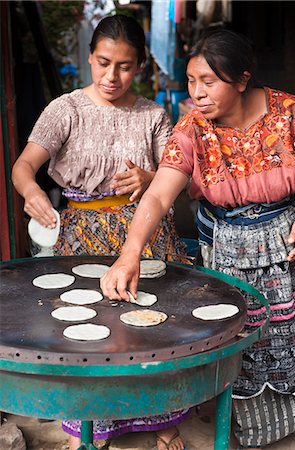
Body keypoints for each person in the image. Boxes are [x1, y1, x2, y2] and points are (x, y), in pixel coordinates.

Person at [101, 29, 295, 450]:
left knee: (291, 336)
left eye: (208, 82)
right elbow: (158, 193)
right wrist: (129, 253)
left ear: (242, 80)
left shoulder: (290, 113)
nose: (197, 93)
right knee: (239, 340)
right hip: (228, 251)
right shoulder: (193, 128)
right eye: (192, 81)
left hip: (290, 250)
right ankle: (244, 429)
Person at [12, 14, 188, 450]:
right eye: (104, 63)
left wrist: (149, 178)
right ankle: (89, 426)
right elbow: (23, 167)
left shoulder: (152, 115)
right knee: (88, 329)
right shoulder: (65, 109)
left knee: (152, 328)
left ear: (140, 66)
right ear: (89, 58)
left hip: (145, 235)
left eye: (125, 66)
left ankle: (162, 419)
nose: (113, 76)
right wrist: (31, 191)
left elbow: (177, 175)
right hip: (80, 239)